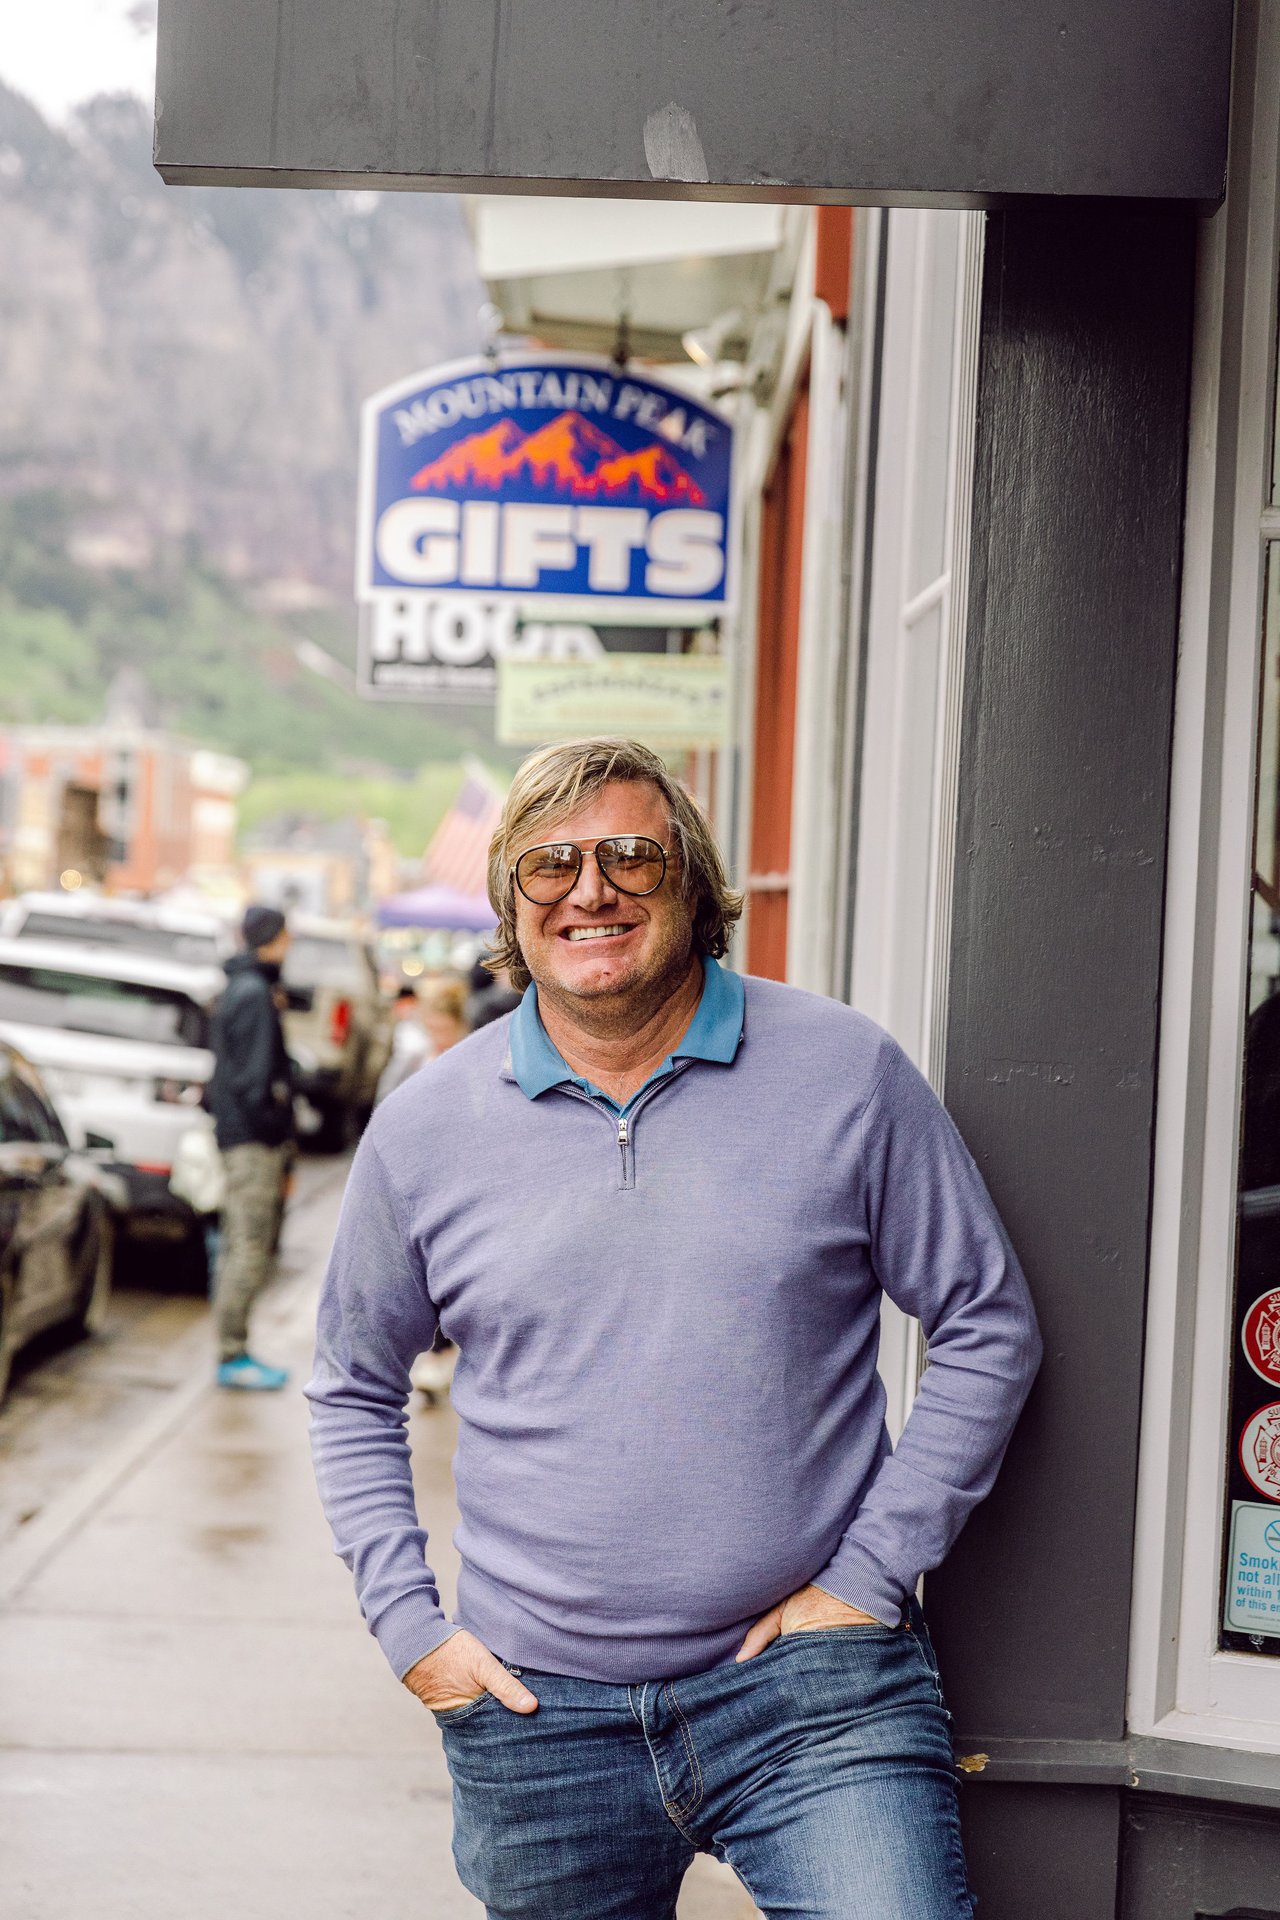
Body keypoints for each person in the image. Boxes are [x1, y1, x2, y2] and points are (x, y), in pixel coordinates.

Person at [307, 738, 1042, 1920]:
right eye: (547, 865)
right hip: (535, 1718)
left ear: (694, 885)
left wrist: (869, 1575)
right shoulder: (423, 1129)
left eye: (629, 855)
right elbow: (350, 1387)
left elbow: (983, 1321)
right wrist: (411, 1632)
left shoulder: (844, 1072)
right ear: (510, 906)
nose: (588, 890)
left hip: (812, 1693)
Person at [207, 903, 295, 1391]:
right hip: (251, 1141)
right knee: (247, 1245)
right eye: (287, 936)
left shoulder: (238, 987)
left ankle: (232, 1348)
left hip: (238, 1135)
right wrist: (275, 1129)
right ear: (273, 938)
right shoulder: (254, 992)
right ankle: (232, 1353)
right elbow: (254, 1079)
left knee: (236, 1242)